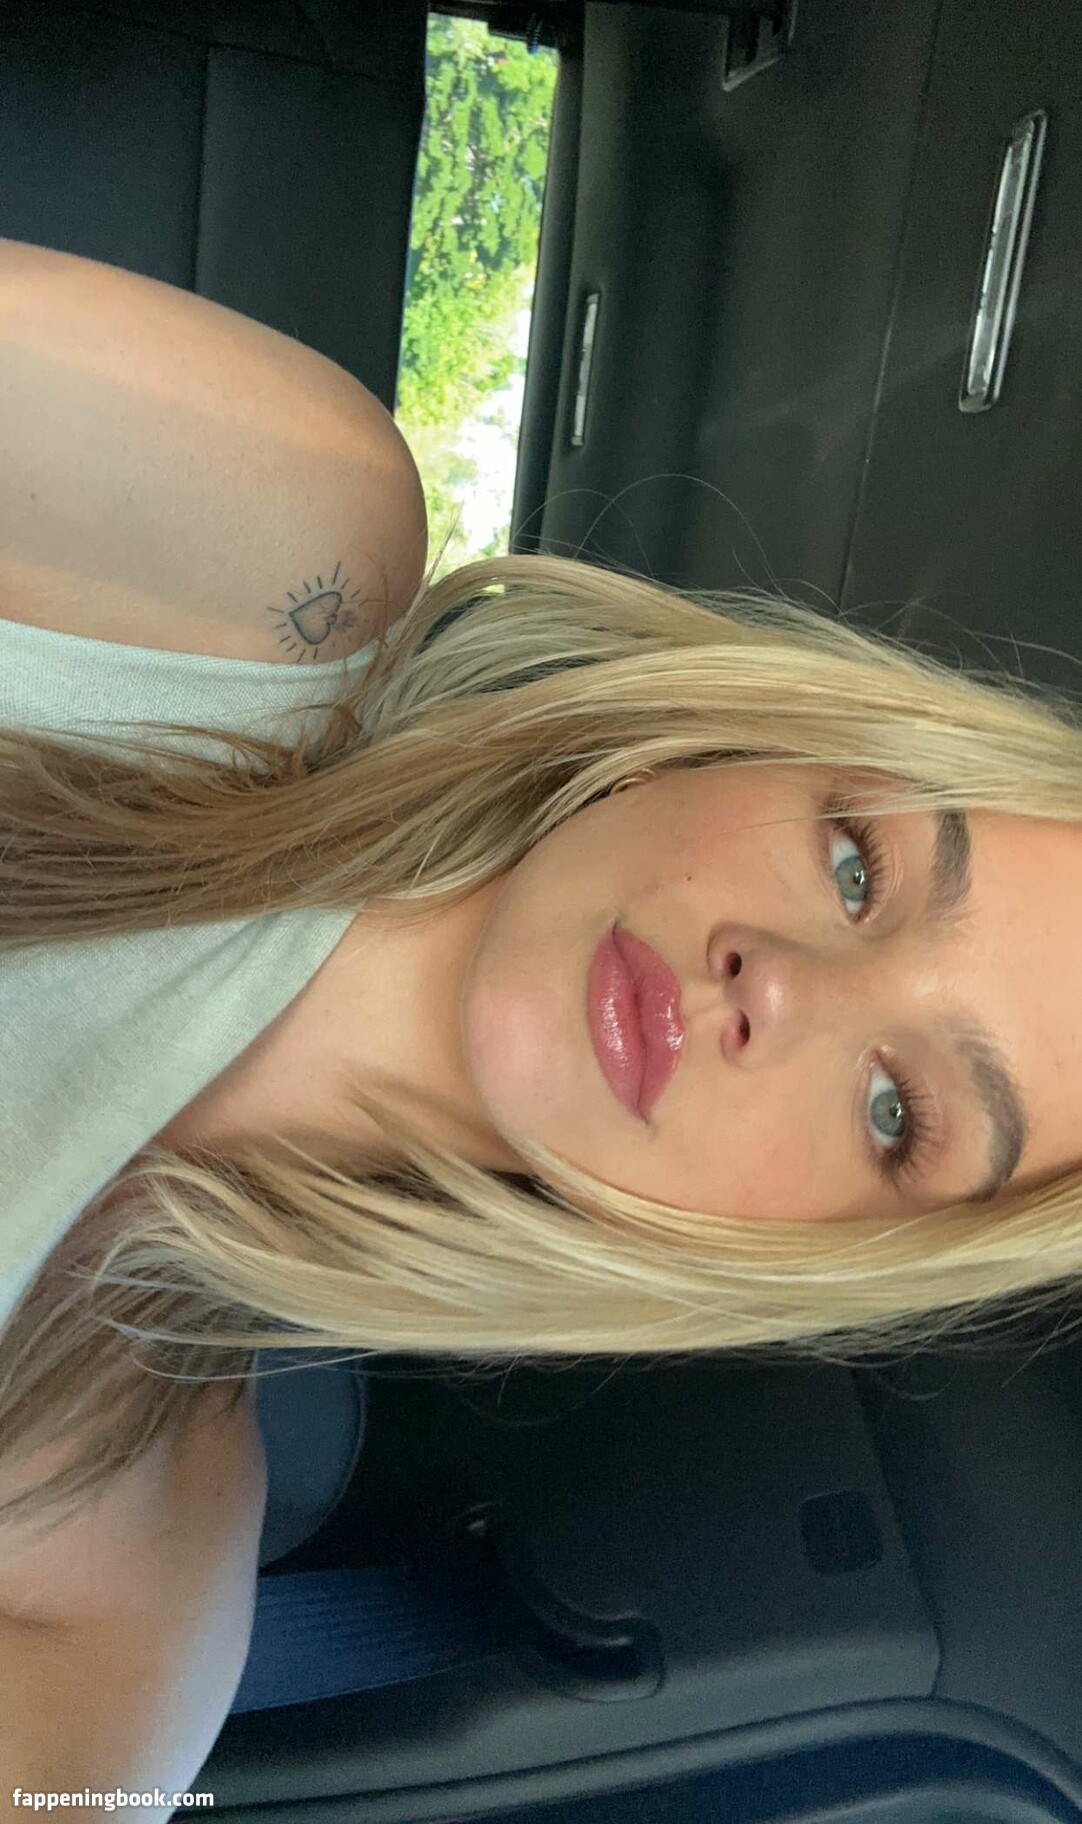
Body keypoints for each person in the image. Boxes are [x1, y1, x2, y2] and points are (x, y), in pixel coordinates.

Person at [1, 533, 1080, 1551]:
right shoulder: (279, 554)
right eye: (856, 869)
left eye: (894, 1113)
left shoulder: (99, 1533)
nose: (785, 986)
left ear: (815, 1257)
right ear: (730, 746)